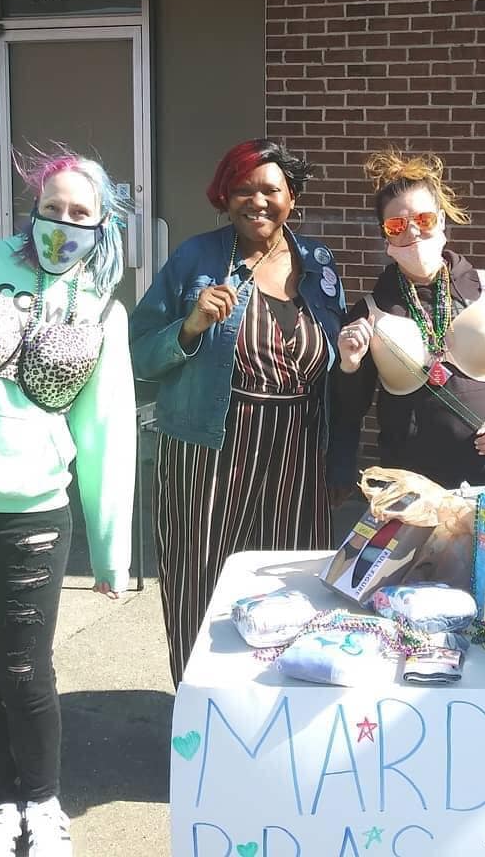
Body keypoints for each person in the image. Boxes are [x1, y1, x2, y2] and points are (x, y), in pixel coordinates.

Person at [0, 149, 135, 857]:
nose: (63, 223)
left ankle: (43, 805)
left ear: (101, 225)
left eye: (80, 213)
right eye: (53, 208)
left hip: (32, 509)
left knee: (24, 672)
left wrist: (111, 553)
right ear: (32, 210)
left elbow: (106, 435)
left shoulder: (103, 310)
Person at [129, 139, 348, 686]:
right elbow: (138, 353)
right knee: (200, 579)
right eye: (242, 190)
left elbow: (339, 360)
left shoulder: (318, 262)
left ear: (292, 197)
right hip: (211, 447)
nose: (257, 201)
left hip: (298, 450)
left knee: (292, 582)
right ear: (224, 197)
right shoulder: (197, 258)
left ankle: (279, 703)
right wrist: (189, 327)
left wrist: (340, 453)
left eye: (270, 189)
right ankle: (199, 705)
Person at [334, 150, 485, 489]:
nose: (413, 233)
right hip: (409, 481)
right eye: (397, 226)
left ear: (442, 221)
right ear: (385, 236)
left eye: (424, 220)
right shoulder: (371, 310)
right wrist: (349, 365)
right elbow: (349, 408)